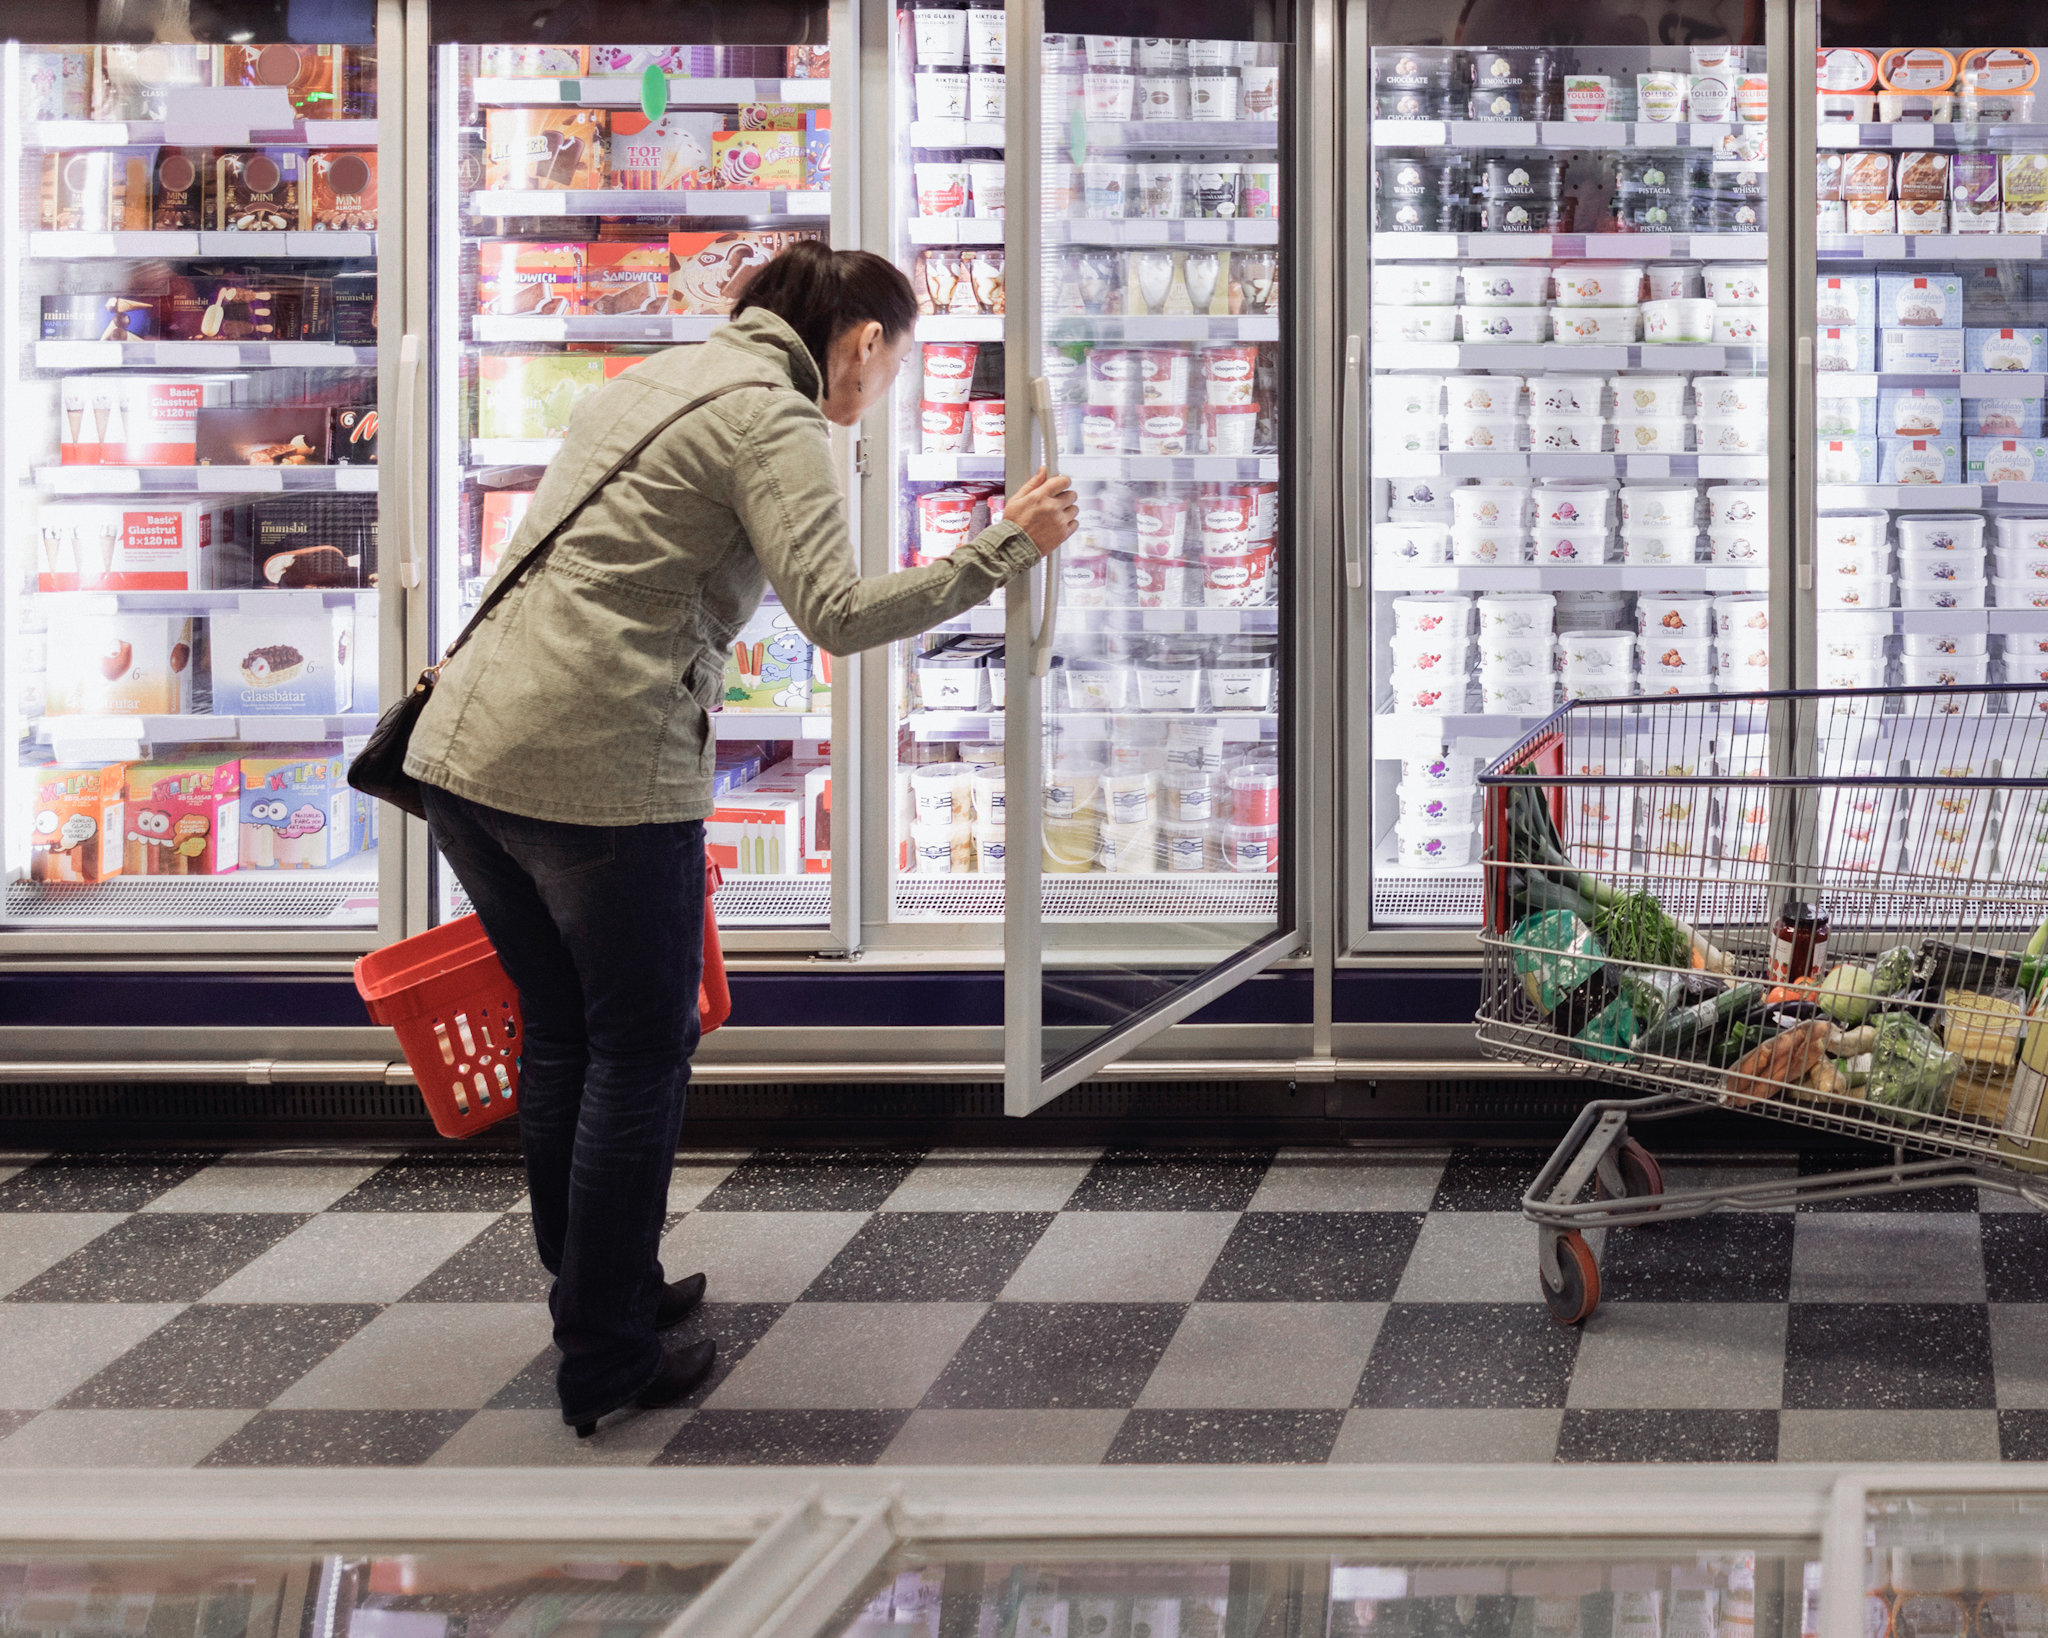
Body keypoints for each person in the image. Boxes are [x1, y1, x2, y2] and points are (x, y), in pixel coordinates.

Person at [403, 243, 1076, 1436]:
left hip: (466, 752)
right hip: (599, 770)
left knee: (562, 1035)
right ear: (860, 342)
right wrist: (1003, 548)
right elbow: (838, 611)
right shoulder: (776, 422)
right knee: (639, 1051)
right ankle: (606, 1356)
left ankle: (596, 1290)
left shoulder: (644, 380)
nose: (878, 387)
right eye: (891, 362)